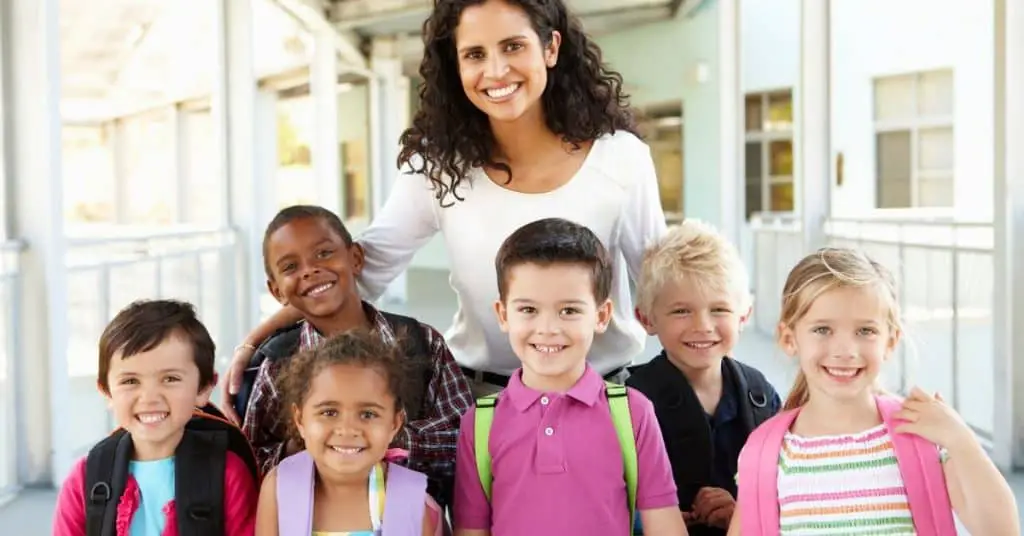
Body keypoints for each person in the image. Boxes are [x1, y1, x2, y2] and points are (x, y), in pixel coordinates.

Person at [221, 0, 667, 406]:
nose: (496, 71)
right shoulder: (436, 167)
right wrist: (254, 342)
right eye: (475, 54)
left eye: (513, 46)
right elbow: (361, 273)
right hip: (486, 399)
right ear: (455, 66)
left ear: (550, 48)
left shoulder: (619, 157)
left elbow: (660, 290)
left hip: (604, 397)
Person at [727, 248, 1019, 536]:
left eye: (865, 331)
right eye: (823, 330)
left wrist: (960, 440)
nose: (845, 351)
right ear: (790, 339)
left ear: (890, 342)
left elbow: (1001, 530)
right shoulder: (765, 453)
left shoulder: (921, 436)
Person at [453, 218, 687, 536]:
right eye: (528, 310)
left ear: (602, 316)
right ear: (503, 315)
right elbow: (471, 531)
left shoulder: (633, 413)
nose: (548, 328)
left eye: (569, 311)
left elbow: (665, 527)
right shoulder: (480, 424)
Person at [239, 205, 472, 510]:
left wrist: (386, 438)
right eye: (290, 267)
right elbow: (252, 462)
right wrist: (306, 445)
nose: (309, 270)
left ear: (356, 258)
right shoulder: (277, 363)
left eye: (323, 253)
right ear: (276, 290)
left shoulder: (422, 344)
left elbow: (464, 443)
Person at [626, 220, 781, 535]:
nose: (703, 325)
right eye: (681, 311)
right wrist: (649, 521)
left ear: (743, 315)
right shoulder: (630, 402)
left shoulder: (761, 395)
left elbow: (785, 493)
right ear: (646, 318)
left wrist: (740, 514)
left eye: (719, 309)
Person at [52, 300, 258, 536]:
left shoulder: (227, 474)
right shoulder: (85, 479)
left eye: (170, 379)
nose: (149, 398)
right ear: (107, 392)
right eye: (130, 381)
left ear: (203, 388)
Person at [255, 330, 445, 536]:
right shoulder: (279, 487)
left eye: (368, 414)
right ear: (300, 420)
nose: (347, 429)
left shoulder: (414, 503)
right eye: (329, 412)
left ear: (394, 424)